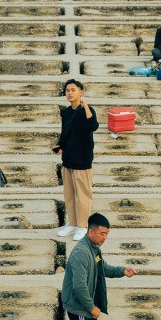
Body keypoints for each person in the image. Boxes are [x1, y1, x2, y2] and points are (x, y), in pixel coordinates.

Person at [54, 79, 97, 241]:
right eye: (67, 90)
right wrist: (59, 146)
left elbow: (93, 126)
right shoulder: (65, 112)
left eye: (73, 90)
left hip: (83, 159)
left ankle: (82, 226)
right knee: (69, 194)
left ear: (81, 92)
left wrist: (85, 106)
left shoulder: (87, 110)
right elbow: (65, 132)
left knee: (83, 195)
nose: (70, 93)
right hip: (68, 159)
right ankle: (72, 223)